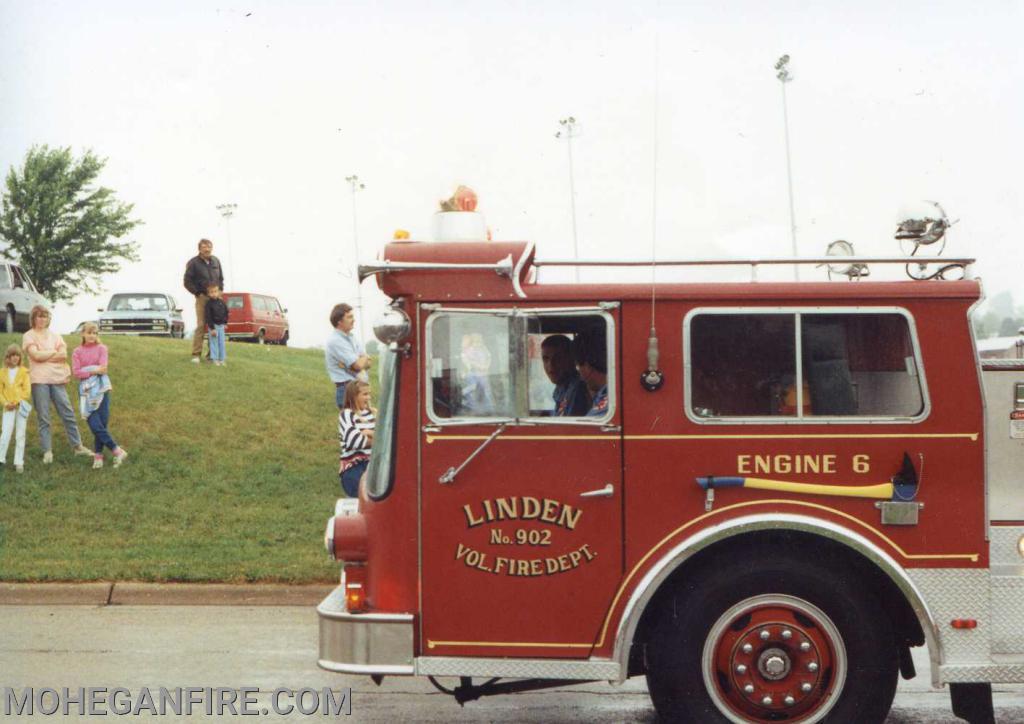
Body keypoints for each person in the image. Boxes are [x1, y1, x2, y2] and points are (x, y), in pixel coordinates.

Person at [22, 305, 92, 463]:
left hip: (57, 379)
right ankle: (47, 451)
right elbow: (35, 356)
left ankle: (78, 446)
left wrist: (44, 355)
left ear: (48, 318)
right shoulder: (28, 336)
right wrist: (53, 354)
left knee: (68, 413)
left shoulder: (56, 336)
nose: (42, 319)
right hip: (39, 380)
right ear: (33, 318)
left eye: (45, 316)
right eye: (39, 316)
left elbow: (63, 355)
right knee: (44, 417)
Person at [72, 323, 128, 469]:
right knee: (93, 422)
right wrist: (93, 370)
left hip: (102, 388)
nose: (92, 336)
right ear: (82, 334)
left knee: (102, 423)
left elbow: (103, 369)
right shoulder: (77, 352)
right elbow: (77, 373)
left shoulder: (102, 349)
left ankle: (98, 456)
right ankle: (117, 450)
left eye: (95, 333)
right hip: (85, 391)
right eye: (89, 332)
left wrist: (88, 370)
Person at [183, 238, 225, 364]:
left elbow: (221, 278)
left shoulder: (216, 261)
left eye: (209, 246)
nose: (207, 249)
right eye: (204, 247)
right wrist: (197, 293)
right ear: (200, 249)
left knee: (217, 326)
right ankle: (196, 354)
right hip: (202, 298)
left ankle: (212, 355)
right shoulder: (193, 263)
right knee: (201, 325)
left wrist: (220, 291)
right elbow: (187, 282)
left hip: (216, 298)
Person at [325, 303, 370, 409]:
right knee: (353, 424)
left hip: (359, 388)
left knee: (364, 424)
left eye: (353, 316)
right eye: (349, 317)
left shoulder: (352, 338)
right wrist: (364, 358)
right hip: (347, 390)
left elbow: (369, 363)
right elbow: (358, 365)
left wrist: (363, 360)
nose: (353, 320)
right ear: (339, 322)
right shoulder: (336, 341)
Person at [338, 380, 375, 497]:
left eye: (369, 394)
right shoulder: (347, 414)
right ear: (354, 396)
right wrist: (377, 438)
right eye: (364, 394)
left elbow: (388, 439)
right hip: (355, 467)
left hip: (375, 464)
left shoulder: (373, 413)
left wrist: (368, 433)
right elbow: (355, 441)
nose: (368, 398)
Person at [0, 344, 31, 473]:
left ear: (20, 357)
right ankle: (1, 458)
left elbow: (27, 390)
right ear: (8, 357)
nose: (15, 358)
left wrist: (17, 402)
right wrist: (6, 403)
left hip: (20, 407)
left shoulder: (24, 372)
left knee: (20, 434)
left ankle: (19, 461)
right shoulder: (2, 372)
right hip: (8, 408)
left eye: (17, 355)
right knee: (5, 433)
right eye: (12, 355)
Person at [541, 335, 589, 416]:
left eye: (558, 358)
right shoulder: (562, 386)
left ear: (571, 359)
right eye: (546, 359)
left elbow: (567, 426)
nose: (551, 365)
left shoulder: (577, 388)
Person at [574, 333, 609, 418]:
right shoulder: (605, 395)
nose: (580, 375)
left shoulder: (606, 406)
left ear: (587, 367)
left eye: (578, 366)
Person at [204, 284, 229, 367]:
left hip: (221, 326)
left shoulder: (222, 302)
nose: (214, 294)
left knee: (222, 343)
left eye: (215, 291)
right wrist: (212, 328)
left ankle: (222, 359)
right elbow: (208, 317)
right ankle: (215, 359)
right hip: (213, 327)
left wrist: (225, 322)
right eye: (211, 292)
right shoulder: (208, 304)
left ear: (218, 292)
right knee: (214, 343)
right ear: (208, 294)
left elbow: (226, 312)